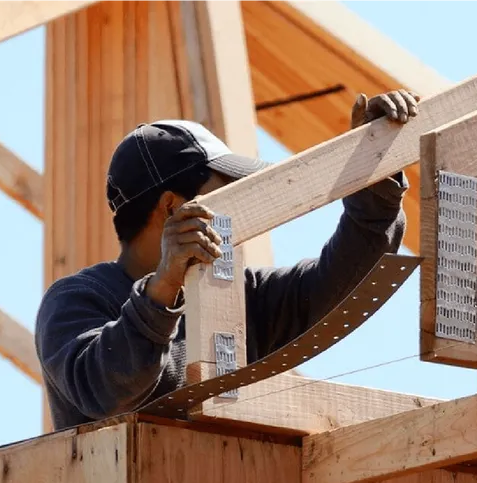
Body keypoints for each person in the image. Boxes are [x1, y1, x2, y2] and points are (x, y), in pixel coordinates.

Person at [35, 89, 420, 430]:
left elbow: (341, 280)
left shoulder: (240, 299)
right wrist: (164, 289)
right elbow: (107, 388)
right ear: (172, 208)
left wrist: (374, 173)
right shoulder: (77, 300)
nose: (236, 217)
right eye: (226, 197)